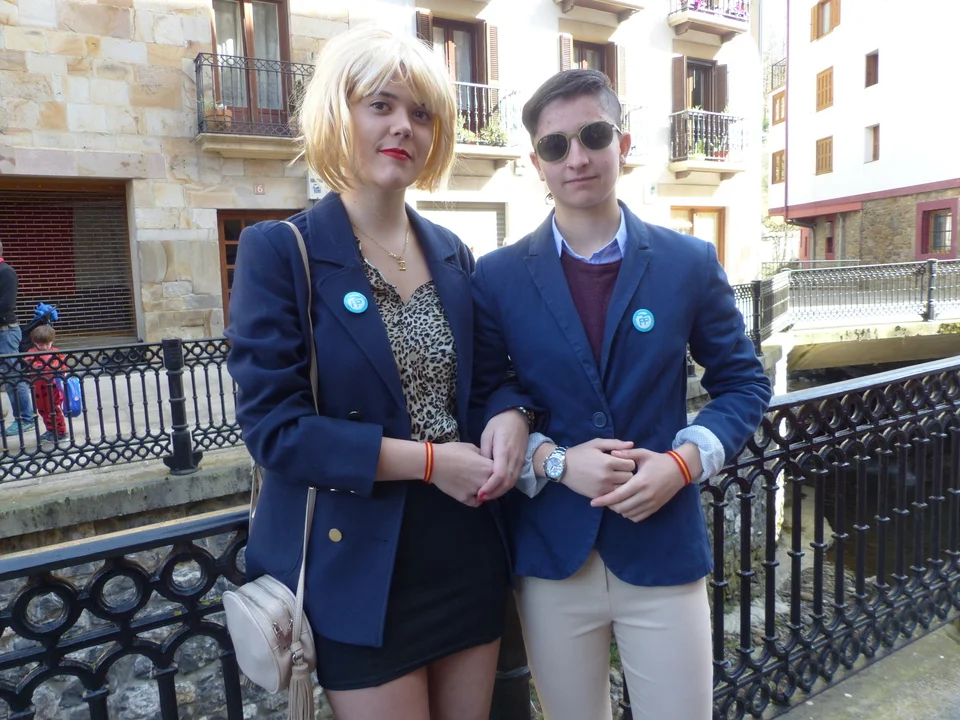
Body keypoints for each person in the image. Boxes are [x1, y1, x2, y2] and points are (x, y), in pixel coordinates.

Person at [225, 26, 531, 720]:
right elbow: (275, 430)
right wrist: (430, 462)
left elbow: (492, 380)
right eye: (381, 105)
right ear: (340, 114)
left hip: (466, 551)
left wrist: (513, 413)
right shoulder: (282, 250)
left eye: (421, 113)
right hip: (357, 569)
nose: (403, 127)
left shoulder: (452, 252)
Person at [471, 69, 773, 720]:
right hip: (554, 554)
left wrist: (682, 464)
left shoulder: (688, 262)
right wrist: (552, 459)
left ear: (623, 143)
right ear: (537, 163)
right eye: (556, 146)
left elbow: (744, 382)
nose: (576, 158)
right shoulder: (496, 277)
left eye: (593, 135)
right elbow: (485, 393)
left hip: (661, 545)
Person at [0, 243, 34, 436]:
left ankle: (25, 419)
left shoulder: (6, 272)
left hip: (6, 332)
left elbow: (6, 304)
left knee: (13, 376)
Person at [25, 325, 68, 448]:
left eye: (47, 344)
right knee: (42, 409)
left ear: (52, 341)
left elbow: (61, 366)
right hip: (38, 387)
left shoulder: (56, 352)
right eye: (41, 345)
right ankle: (50, 429)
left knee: (54, 408)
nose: (44, 347)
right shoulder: (31, 353)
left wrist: (61, 371)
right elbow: (34, 365)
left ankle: (60, 432)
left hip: (53, 387)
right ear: (34, 342)